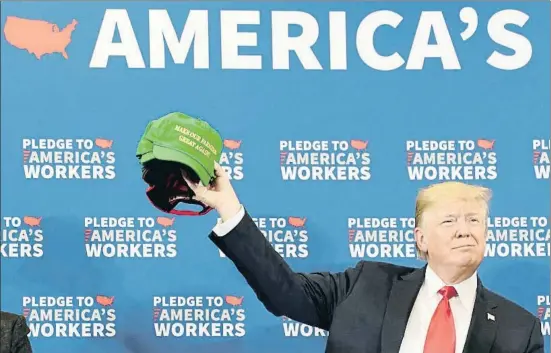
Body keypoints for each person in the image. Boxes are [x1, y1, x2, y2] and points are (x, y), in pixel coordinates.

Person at [185, 162, 544, 353]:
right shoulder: (366, 285)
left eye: (474, 221)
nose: (464, 230)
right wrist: (228, 207)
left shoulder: (519, 329)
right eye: (449, 220)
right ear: (420, 238)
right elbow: (284, 292)